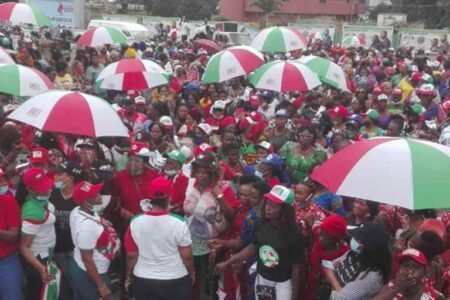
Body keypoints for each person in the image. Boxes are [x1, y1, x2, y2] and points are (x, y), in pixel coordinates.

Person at [215, 185, 304, 300]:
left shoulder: (294, 233)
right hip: (262, 280)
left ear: (284, 210)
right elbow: (252, 247)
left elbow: (296, 266)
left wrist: (294, 293)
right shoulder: (260, 224)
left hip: (282, 285)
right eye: (267, 204)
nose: (268, 208)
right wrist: (227, 263)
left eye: (273, 206)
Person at [124, 177, 194, 300]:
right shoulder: (179, 222)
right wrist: (191, 272)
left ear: (150, 199)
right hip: (175, 279)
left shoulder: (135, 222)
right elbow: (186, 256)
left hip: (144, 279)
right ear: (169, 198)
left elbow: (131, 256)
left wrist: (129, 277)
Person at [68, 181, 120, 300]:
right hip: (89, 273)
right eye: (95, 195)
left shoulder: (78, 210)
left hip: (86, 268)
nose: (99, 196)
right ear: (86, 201)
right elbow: (87, 259)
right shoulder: (87, 227)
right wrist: (101, 286)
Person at [323, 222, 392, 299]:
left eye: (359, 240)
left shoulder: (372, 275)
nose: (354, 240)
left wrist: (331, 276)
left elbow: (338, 298)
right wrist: (337, 286)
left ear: (370, 247)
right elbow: (328, 266)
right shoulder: (355, 253)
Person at [19, 168, 56, 300]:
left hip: (48, 255)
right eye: (42, 188)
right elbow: (24, 246)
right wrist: (41, 268)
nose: (48, 190)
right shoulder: (32, 211)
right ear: (29, 189)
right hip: (39, 259)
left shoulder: (41, 200)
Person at [373, 248, 445, 300]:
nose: (410, 271)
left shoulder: (434, 297)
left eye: (416, 267)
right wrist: (396, 288)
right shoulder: (390, 287)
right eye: (405, 266)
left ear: (425, 272)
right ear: (399, 269)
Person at [0, 168, 22, 300]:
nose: (3, 184)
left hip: (6, 262)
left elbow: (13, 236)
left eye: (3, 180)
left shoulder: (8, 201)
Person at [163, 149, 189, 215]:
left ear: (179, 166)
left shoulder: (183, 180)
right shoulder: (163, 177)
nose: (167, 165)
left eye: (171, 163)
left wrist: (173, 208)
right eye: (166, 162)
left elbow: (184, 201)